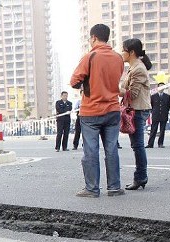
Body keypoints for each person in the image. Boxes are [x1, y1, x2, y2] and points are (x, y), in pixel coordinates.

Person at [70, 23, 125, 198]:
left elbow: (74, 81)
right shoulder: (118, 58)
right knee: (112, 149)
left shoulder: (90, 56)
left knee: (91, 151)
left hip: (91, 111)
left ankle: (92, 189)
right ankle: (114, 187)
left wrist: (84, 84)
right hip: (112, 109)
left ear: (93, 37)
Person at [119, 38, 152, 191]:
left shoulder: (138, 68)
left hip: (137, 110)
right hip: (135, 109)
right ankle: (140, 176)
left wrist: (114, 89)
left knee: (138, 145)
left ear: (131, 52)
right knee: (136, 145)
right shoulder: (133, 67)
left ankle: (140, 177)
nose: (121, 53)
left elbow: (132, 93)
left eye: (123, 50)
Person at [147, 83, 170, 148]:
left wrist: (165, 112)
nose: (161, 88)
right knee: (153, 129)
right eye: (160, 87)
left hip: (164, 115)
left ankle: (160, 143)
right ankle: (150, 144)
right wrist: (153, 112)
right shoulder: (153, 96)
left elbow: (168, 106)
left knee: (162, 130)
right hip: (155, 115)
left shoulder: (167, 96)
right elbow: (151, 105)